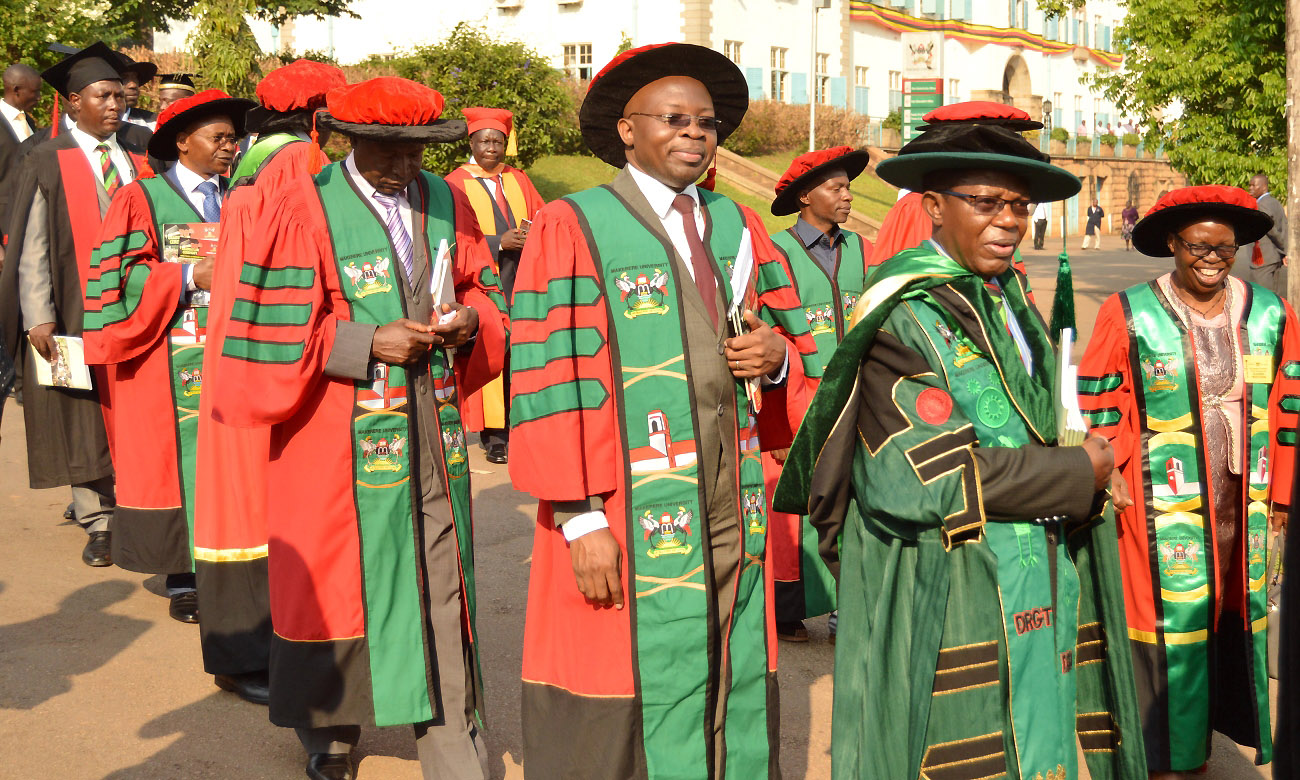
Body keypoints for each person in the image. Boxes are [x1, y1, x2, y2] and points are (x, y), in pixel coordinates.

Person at [774, 100, 1147, 780]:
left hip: (1029, 564)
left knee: (1040, 743)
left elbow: (1036, 419)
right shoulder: (905, 311)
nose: (1008, 220)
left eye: (1020, 205)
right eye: (985, 202)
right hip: (946, 580)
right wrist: (1075, 471)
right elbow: (924, 478)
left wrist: (1082, 460)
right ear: (933, 206)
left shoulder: (1006, 300)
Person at [510, 42, 817, 778]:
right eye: (673, 119)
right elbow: (551, 379)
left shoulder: (738, 227)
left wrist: (777, 361)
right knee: (631, 674)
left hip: (731, 495)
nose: (694, 133)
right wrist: (580, 520)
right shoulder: (574, 225)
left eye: (705, 122)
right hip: (624, 501)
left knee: (730, 656)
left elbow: (792, 350)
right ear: (627, 129)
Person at [211, 76, 507, 780]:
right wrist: (364, 342)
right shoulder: (301, 207)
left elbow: (483, 287)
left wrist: (471, 322)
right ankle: (329, 733)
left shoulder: (447, 199)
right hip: (330, 438)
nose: (407, 168)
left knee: (441, 584)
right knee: (332, 587)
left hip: (432, 435)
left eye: (419, 153)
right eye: (390, 151)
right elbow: (270, 330)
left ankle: (454, 749)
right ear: (348, 139)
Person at [1078, 185, 1300, 777]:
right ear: (1173, 244)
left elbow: (1287, 404)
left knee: (1228, 610)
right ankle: (1162, 749)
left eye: (1225, 248)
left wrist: (1281, 493)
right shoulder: (1128, 312)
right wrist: (1112, 474)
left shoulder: (1268, 312)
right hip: (1156, 496)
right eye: (1198, 245)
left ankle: (1201, 739)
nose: (1212, 257)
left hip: (1241, 495)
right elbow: (1102, 401)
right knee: (1167, 616)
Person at [191, 57, 346, 713]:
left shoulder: (255, 158)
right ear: (316, 114)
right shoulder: (302, 167)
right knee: (266, 503)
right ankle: (254, 655)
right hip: (275, 344)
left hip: (241, 335)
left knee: (237, 502)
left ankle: (238, 654)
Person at [83, 90, 254, 633]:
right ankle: (183, 577)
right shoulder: (143, 198)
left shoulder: (244, 200)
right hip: (166, 356)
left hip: (233, 355)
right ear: (183, 142)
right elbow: (116, 277)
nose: (231, 148)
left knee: (230, 461)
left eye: (233, 138)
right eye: (219, 138)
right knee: (177, 462)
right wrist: (182, 276)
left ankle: (227, 566)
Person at [0, 42, 147, 568]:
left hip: (133, 309)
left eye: (118, 96)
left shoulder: (137, 154)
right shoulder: (44, 156)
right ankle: (97, 519)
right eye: (103, 96)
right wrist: (38, 311)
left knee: (128, 408)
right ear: (73, 101)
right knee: (78, 407)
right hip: (71, 304)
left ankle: (136, 506)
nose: (115, 105)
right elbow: (30, 242)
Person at [765, 145, 874, 642]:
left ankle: (846, 604)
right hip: (794, 403)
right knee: (789, 512)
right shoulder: (774, 254)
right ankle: (786, 608)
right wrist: (774, 427)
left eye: (848, 187)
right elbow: (761, 342)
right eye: (837, 188)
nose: (847, 196)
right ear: (806, 196)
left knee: (853, 500)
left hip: (854, 402)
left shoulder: (865, 252)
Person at [444, 106, 545, 464]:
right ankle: (495, 437)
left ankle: (522, 427)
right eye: (484, 140)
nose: (491, 147)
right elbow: (454, 236)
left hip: (522, 280)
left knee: (523, 355)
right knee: (492, 351)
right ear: (471, 141)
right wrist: (498, 243)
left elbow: (541, 218)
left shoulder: (519, 179)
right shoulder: (455, 183)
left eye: (498, 141)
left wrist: (534, 234)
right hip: (485, 281)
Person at [0, 63, 40, 253]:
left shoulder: (29, 122)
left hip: (29, 226)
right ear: (16, 90)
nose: (39, 98)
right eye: (35, 92)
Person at [1234, 173, 1288, 298]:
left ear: (1264, 187)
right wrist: (1283, 252)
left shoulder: (1261, 204)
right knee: (1273, 295)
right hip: (1274, 258)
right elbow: (1284, 226)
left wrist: (1284, 249)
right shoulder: (1275, 202)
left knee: (1263, 296)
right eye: (1250, 185)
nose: (1250, 188)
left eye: (1254, 185)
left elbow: (1271, 230)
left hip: (1263, 258)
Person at [116, 55, 157, 129]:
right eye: (124, 77)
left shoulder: (153, 124)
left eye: (135, 77)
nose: (133, 85)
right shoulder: (90, 127)